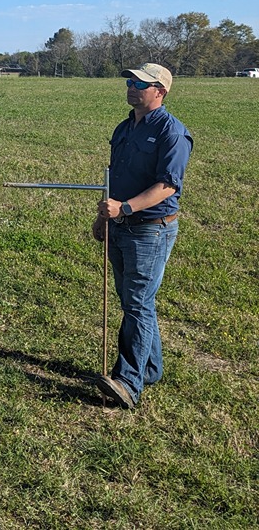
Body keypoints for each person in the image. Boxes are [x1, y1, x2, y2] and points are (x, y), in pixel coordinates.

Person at [93, 62, 193, 409]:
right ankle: (150, 368)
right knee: (135, 302)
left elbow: (167, 186)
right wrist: (103, 216)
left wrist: (126, 209)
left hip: (150, 229)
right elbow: (112, 179)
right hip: (119, 225)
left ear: (160, 92)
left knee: (136, 303)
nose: (132, 87)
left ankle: (129, 382)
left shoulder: (172, 133)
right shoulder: (124, 128)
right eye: (131, 81)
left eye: (141, 83)